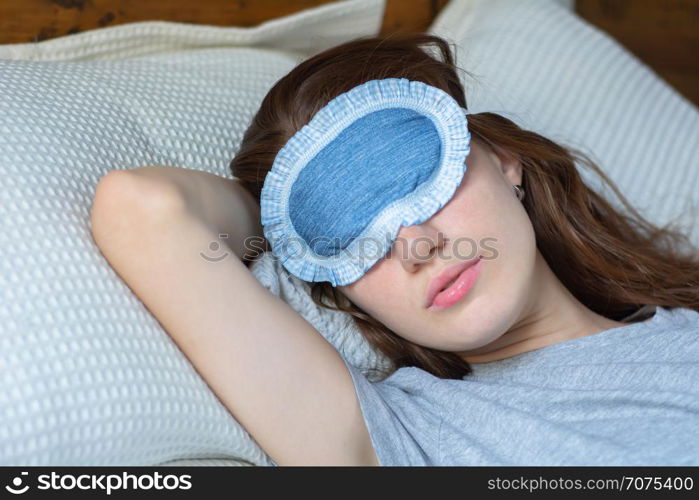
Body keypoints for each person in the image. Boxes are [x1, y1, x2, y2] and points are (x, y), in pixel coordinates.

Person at [90, 33, 699, 466]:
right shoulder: (398, 442)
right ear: (342, 292)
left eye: (419, 180)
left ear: (506, 161)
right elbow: (142, 210)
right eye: (350, 235)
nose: (416, 246)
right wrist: (285, 212)